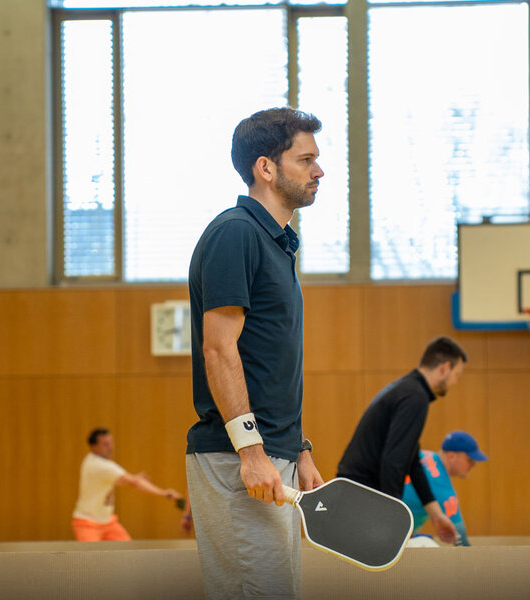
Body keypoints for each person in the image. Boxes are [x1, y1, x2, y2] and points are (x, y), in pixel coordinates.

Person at [186, 107, 324, 599]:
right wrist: (251, 452)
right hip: (241, 459)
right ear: (265, 167)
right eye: (305, 160)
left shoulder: (279, 244)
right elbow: (218, 349)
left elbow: (270, 361)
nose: (318, 170)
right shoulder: (236, 233)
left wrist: (299, 447)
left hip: (274, 455)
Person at [336, 336, 467, 545]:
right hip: (362, 496)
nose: (455, 382)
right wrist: (392, 518)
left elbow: (412, 461)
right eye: (456, 375)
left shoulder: (407, 389)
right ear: (445, 368)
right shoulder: (415, 398)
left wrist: (435, 514)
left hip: (354, 492)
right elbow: (393, 461)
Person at [72, 428, 183, 542]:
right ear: (94, 446)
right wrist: (165, 493)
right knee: (91, 554)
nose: (110, 447)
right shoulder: (98, 465)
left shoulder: (96, 462)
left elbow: (127, 481)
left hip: (108, 522)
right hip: (87, 522)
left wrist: (134, 479)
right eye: (105, 444)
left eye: (111, 443)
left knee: (127, 549)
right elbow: (134, 483)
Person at [402, 430, 488, 546]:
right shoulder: (443, 488)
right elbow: (461, 541)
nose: (473, 465)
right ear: (452, 456)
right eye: (471, 460)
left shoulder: (426, 454)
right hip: (391, 535)